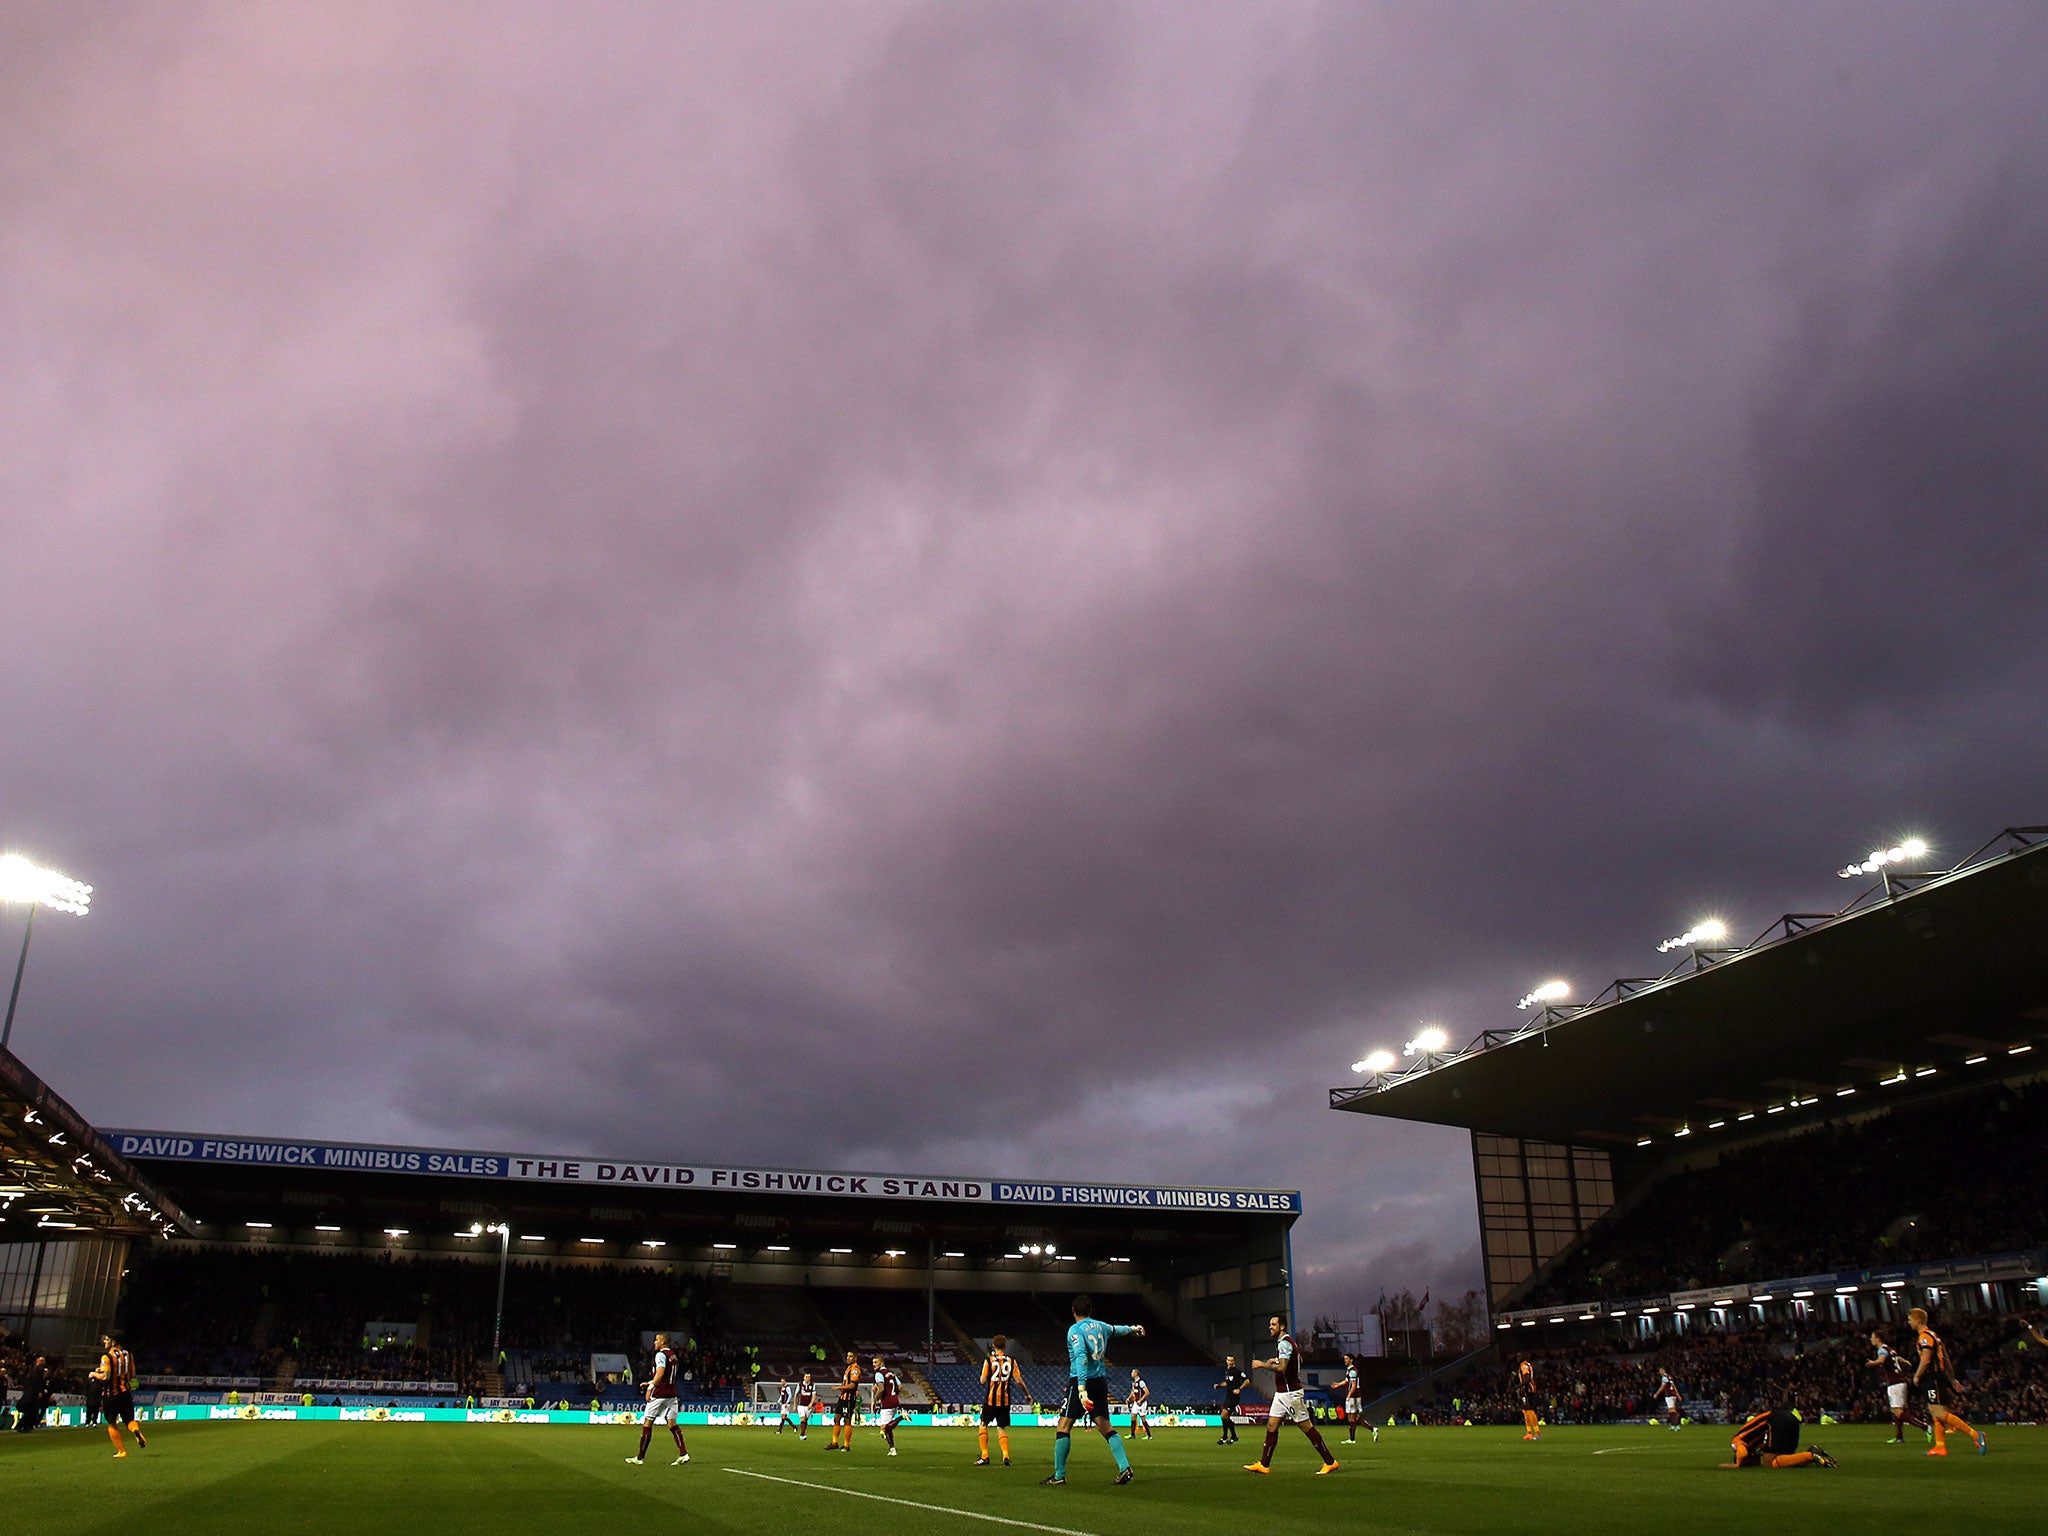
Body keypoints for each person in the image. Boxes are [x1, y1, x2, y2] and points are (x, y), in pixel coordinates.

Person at [1041, 1294, 1143, 1486]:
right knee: (1105, 1427)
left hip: (1082, 1382)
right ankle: (1124, 1467)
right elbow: (1117, 1330)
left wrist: (1081, 1388)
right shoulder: (1101, 1326)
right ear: (1091, 1311)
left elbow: (1081, 1356)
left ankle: (1059, 1475)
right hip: (1100, 1382)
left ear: (1073, 1311)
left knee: (1063, 1427)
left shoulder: (1074, 1330)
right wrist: (1133, 1329)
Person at [1244, 1314, 1339, 1475]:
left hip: (1291, 1394)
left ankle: (1330, 1462)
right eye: (1270, 1324)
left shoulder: (1285, 1344)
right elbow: (1293, 1361)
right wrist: (1274, 1360)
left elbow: (1282, 1368)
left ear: (1282, 1326)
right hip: (1281, 1394)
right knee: (1271, 1426)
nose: (1270, 1327)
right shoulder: (1286, 1343)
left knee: (1306, 1427)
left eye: (1273, 1324)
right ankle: (1264, 1465)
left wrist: (1262, 1365)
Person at [1909, 1308, 1985, 1457]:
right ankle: (1940, 1446)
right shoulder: (1935, 1336)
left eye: (1910, 1320)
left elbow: (1926, 1359)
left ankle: (1976, 1435)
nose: (1909, 1322)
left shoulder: (1924, 1337)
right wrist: (1952, 1379)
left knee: (1939, 1412)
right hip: (1940, 1376)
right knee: (1935, 1412)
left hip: (1933, 1377)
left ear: (1918, 1321)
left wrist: (1917, 1376)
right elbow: (1946, 1358)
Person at [625, 1332, 689, 1467]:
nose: (654, 1342)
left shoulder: (660, 1355)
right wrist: (650, 1382)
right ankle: (683, 1454)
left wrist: (651, 1387)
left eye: (657, 1340)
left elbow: (660, 1373)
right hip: (672, 1394)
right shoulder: (672, 1355)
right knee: (672, 1424)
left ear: (663, 1342)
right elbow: (665, 1376)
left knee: (647, 1423)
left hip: (660, 1394)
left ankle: (640, 1458)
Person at [1866, 1330, 1931, 1444]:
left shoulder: (1882, 1350)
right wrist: (1906, 1362)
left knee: (1897, 1412)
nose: (1871, 1339)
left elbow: (1881, 1360)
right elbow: (1898, 1359)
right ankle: (1899, 1437)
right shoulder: (1890, 1350)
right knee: (1898, 1410)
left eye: (1872, 1337)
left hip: (1895, 1383)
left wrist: (1872, 1363)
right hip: (1901, 1382)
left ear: (1878, 1338)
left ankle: (1924, 1426)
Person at [1720, 1406, 1834, 1469]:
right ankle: (1812, 1454)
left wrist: (1737, 1464)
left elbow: (1741, 1451)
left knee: (1769, 1463)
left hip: (1775, 1420)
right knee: (1787, 1460)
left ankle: (1811, 1455)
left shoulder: (1738, 1440)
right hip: (1790, 1419)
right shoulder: (1755, 1445)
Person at [976, 1334, 1029, 1466]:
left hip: (990, 1400)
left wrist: (987, 1376)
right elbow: (1019, 1381)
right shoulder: (1012, 1361)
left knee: (983, 1424)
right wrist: (1027, 1394)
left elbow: (982, 1381)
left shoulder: (988, 1361)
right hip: (1005, 1401)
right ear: (1005, 1346)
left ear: (993, 1346)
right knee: (1001, 1428)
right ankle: (1005, 1455)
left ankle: (985, 1456)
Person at [93, 1333, 148, 1457]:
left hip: (110, 1395)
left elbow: (106, 1376)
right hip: (125, 1393)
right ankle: (136, 1431)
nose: (104, 1342)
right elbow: (132, 1374)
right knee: (129, 1420)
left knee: (112, 1423)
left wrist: (94, 1374)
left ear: (113, 1342)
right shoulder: (128, 1355)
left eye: (106, 1340)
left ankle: (121, 1451)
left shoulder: (106, 1357)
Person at [827, 1351, 862, 1451]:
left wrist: (840, 1387)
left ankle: (846, 1445)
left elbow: (853, 1385)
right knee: (836, 1418)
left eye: (851, 1356)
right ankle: (834, 1443)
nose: (848, 1358)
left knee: (847, 1420)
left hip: (849, 1400)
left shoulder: (855, 1369)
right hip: (842, 1398)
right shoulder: (849, 1368)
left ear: (855, 1358)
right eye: (847, 1356)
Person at [871, 1356, 904, 1456]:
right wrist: (893, 1394)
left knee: (885, 1428)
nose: (873, 1364)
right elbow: (900, 1386)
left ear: (881, 1363)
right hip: (895, 1400)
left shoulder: (879, 1374)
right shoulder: (891, 1373)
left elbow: (881, 1389)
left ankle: (902, 1417)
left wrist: (874, 1401)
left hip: (887, 1402)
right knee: (887, 1427)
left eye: (875, 1362)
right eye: (873, 1362)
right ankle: (892, 1449)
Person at [1340, 1354, 1374, 1444]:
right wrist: (1338, 1384)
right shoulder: (1350, 1370)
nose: (1345, 1360)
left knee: (1351, 1417)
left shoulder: (1352, 1371)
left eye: (1346, 1359)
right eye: (1344, 1359)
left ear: (1351, 1360)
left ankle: (1352, 1439)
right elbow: (1347, 1381)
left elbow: (1354, 1385)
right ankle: (1373, 1429)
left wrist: (1349, 1395)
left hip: (1353, 1396)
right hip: (1355, 1396)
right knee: (1355, 1418)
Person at [1215, 1354, 1247, 1445]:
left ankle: (1225, 1437)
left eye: (1231, 1360)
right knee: (1225, 1417)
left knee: (1223, 1415)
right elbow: (1227, 1382)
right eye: (1228, 1360)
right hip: (1228, 1396)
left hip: (1234, 1397)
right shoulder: (1228, 1371)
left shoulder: (1237, 1371)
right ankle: (1233, 1436)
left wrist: (1239, 1389)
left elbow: (1248, 1380)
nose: (1229, 1362)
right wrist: (1219, 1385)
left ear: (1234, 1362)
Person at [1516, 1359, 1541, 1440]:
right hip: (1525, 1390)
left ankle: (1537, 1433)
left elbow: (1527, 1378)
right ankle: (1529, 1433)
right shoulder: (1523, 1365)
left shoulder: (1524, 1365)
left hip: (1528, 1390)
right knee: (1525, 1410)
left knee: (1530, 1410)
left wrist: (1518, 1386)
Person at [793, 1372, 816, 1440]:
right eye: (806, 1377)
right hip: (801, 1405)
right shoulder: (800, 1385)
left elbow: (814, 1395)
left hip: (808, 1406)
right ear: (804, 1377)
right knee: (802, 1419)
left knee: (805, 1420)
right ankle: (803, 1434)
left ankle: (803, 1433)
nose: (807, 1378)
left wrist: (811, 1403)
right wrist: (795, 1405)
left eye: (809, 1377)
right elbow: (796, 1395)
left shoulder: (812, 1385)